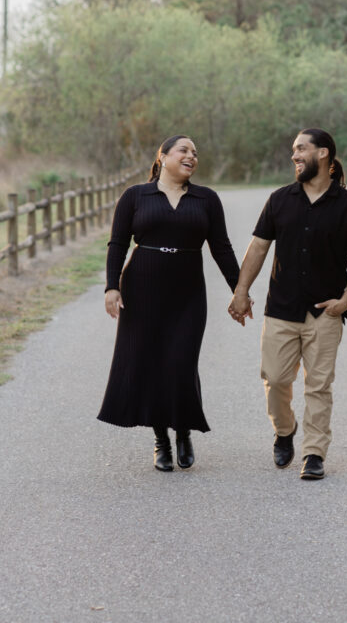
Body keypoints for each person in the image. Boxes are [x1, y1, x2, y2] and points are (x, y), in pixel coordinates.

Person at [228, 128, 347, 480]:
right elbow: (259, 247)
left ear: (323, 154)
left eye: (301, 149)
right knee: (275, 379)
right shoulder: (280, 200)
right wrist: (240, 291)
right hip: (281, 309)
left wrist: (345, 301)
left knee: (319, 385)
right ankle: (284, 430)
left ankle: (314, 453)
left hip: (324, 312)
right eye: (293, 150)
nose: (294, 156)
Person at [97, 134, 240, 472]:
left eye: (195, 152)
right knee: (150, 362)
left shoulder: (206, 199)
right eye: (184, 150)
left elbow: (221, 247)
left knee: (180, 361)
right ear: (162, 156)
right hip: (142, 289)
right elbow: (117, 244)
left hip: (188, 292)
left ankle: (183, 431)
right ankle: (161, 440)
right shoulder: (135, 196)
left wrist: (239, 289)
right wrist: (111, 287)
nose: (192, 156)